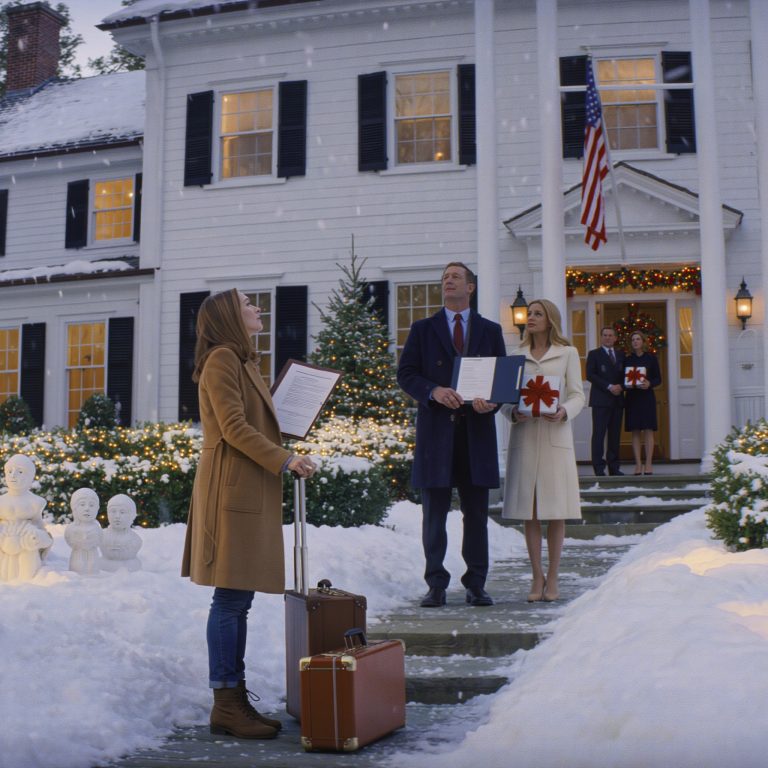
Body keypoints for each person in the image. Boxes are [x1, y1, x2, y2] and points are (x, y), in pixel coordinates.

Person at [181, 288, 316, 740]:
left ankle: (234, 698)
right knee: (231, 597)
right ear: (228, 318)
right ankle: (226, 702)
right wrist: (284, 459)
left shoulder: (239, 361)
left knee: (239, 598)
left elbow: (251, 423)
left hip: (246, 486)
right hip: (231, 488)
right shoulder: (222, 359)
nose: (257, 309)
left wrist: (285, 440)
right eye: (247, 305)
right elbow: (234, 427)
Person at [397, 262, 506, 608]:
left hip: (476, 432)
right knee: (434, 514)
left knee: (476, 514)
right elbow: (407, 374)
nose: (448, 281)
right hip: (437, 434)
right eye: (445, 277)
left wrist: (494, 401)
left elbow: (502, 378)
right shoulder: (423, 329)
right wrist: (433, 391)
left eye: (455, 277)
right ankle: (436, 584)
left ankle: (476, 583)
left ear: (470, 287)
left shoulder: (490, 330)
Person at [501, 299, 585, 603]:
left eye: (537, 314)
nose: (531, 318)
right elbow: (504, 400)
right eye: (530, 314)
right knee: (530, 511)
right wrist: (513, 413)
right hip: (525, 437)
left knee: (556, 510)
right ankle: (537, 575)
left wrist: (564, 411)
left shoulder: (568, 353)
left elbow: (578, 394)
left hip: (555, 437)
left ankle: (554, 576)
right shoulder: (516, 356)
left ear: (550, 320)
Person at [0, 453, 53, 582]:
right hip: (3, 544)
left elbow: (40, 527)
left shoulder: (35, 502)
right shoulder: (1, 501)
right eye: (10, 471)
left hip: (25, 546)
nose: (13, 475)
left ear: (30, 477)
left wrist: (39, 538)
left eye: (20, 472)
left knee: (27, 571)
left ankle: (27, 584)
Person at [586, 326, 625, 476]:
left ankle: (614, 467)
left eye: (610, 335)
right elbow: (590, 375)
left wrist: (621, 386)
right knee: (599, 434)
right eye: (605, 335)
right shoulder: (594, 354)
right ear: (601, 337)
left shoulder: (621, 355)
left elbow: (625, 374)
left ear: (615, 338)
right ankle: (599, 468)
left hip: (617, 400)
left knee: (615, 435)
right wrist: (609, 386)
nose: (608, 337)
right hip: (600, 401)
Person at [623, 330, 662, 475]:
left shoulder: (651, 358)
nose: (635, 342)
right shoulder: (627, 359)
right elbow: (622, 378)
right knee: (635, 431)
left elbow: (659, 378)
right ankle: (638, 464)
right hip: (632, 397)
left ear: (643, 342)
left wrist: (649, 383)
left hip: (646, 397)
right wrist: (626, 384)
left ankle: (649, 464)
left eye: (638, 339)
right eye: (633, 339)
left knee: (648, 430)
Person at [100, 494, 142, 572]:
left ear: (132, 515)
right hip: (104, 571)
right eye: (113, 511)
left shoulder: (135, 540)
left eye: (122, 512)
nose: (117, 516)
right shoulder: (101, 537)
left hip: (129, 570)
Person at [65, 487, 103, 575]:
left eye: (91, 505)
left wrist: (91, 544)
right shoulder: (71, 528)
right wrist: (78, 544)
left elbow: (100, 539)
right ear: (74, 507)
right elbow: (68, 539)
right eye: (82, 504)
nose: (87, 508)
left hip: (93, 556)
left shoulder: (97, 527)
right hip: (77, 555)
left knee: (93, 568)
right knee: (77, 567)